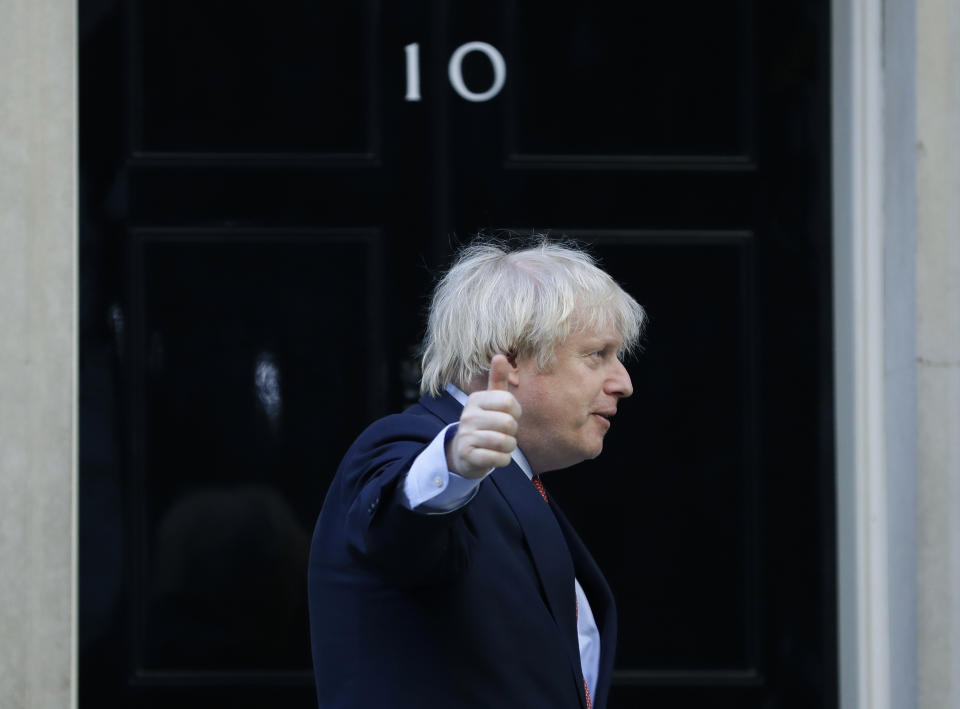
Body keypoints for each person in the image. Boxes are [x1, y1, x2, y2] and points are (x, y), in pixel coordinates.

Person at [307, 237, 646, 708]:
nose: (622, 382)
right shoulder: (412, 446)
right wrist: (451, 464)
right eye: (596, 355)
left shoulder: (517, 475)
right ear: (509, 358)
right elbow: (399, 528)